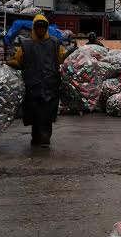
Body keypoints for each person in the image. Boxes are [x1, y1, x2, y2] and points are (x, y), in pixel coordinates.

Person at [7, 14, 75, 148]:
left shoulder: (55, 43)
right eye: (38, 27)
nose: (41, 30)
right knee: (34, 113)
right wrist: (7, 64)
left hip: (50, 84)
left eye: (43, 27)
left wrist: (72, 53)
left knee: (46, 114)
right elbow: (17, 61)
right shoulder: (26, 44)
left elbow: (62, 58)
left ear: (46, 28)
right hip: (32, 85)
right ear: (34, 28)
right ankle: (36, 136)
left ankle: (45, 138)